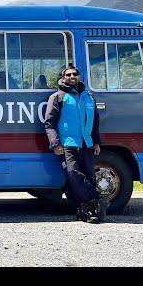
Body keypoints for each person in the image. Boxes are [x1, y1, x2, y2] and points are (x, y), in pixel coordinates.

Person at [44, 66, 108, 223]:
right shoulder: (57, 97)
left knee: (89, 176)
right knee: (73, 174)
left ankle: (85, 212)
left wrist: (97, 142)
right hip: (68, 144)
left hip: (87, 143)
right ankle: (96, 197)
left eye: (75, 74)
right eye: (68, 74)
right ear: (63, 78)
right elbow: (49, 123)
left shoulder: (88, 98)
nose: (72, 76)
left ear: (79, 77)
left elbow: (95, 122)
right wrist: (55, 143)